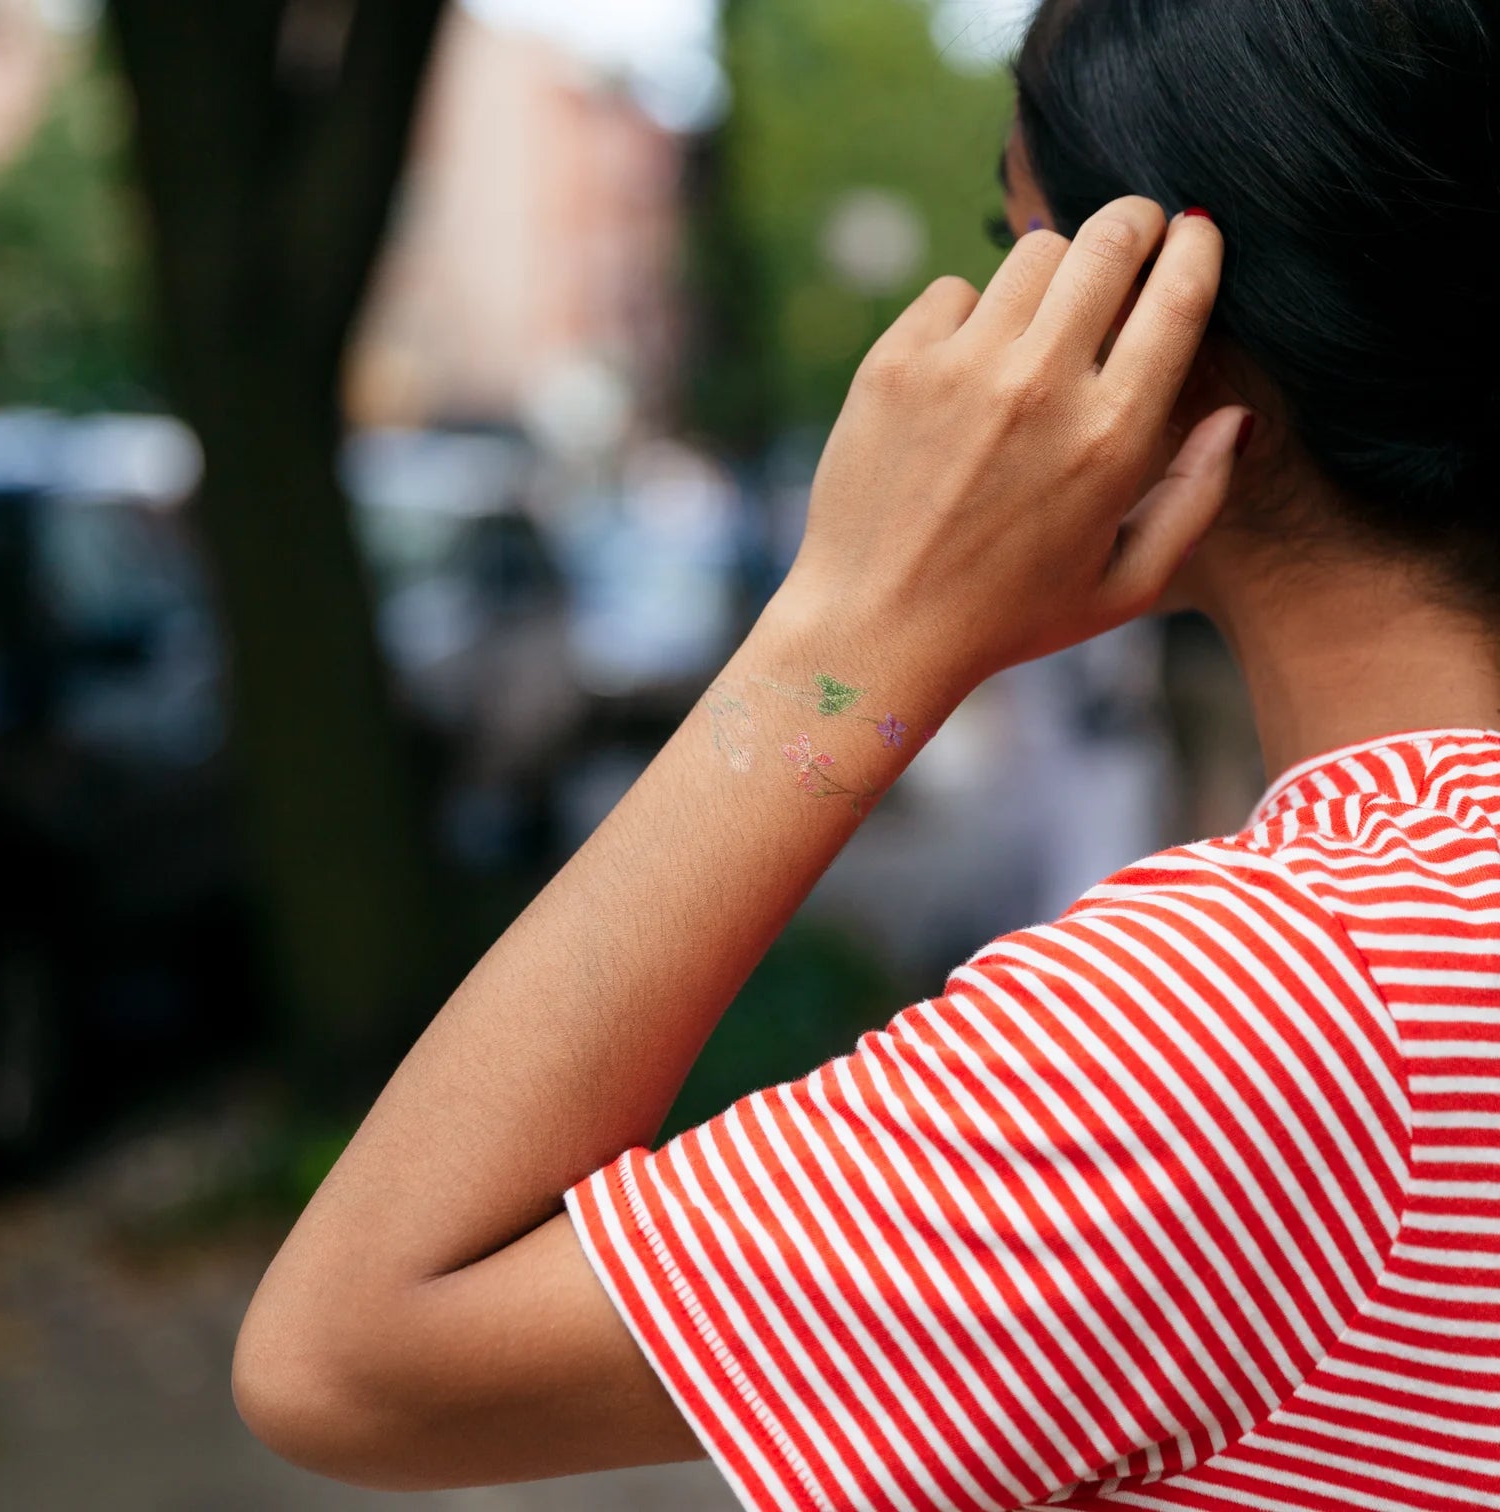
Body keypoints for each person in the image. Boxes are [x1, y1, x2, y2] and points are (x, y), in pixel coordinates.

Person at [231, 1, 1500, 1507]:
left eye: (1029, 258)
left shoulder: (1263, 1011)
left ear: (1171, 342)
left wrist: (858, 627)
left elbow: (348, 1364)